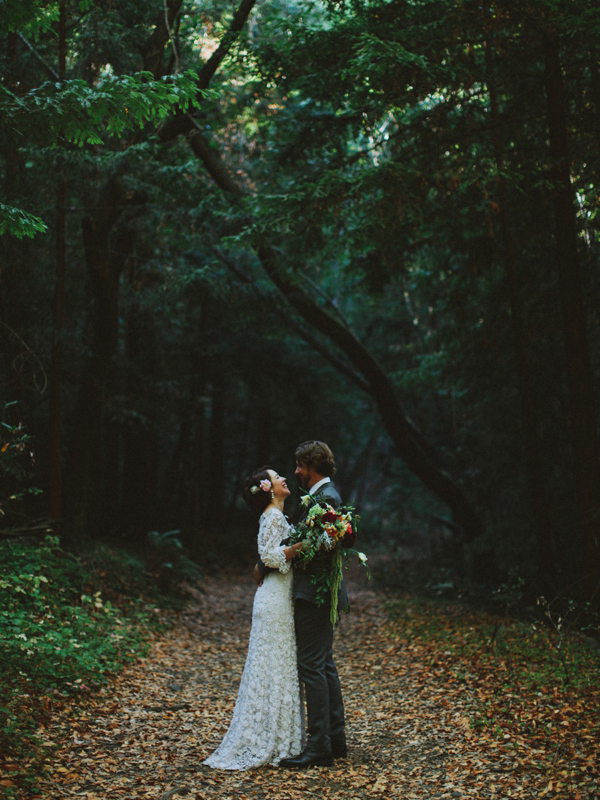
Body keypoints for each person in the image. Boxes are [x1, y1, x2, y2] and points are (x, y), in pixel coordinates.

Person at [203, 467, 305, 770]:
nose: (284, 478)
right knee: (274, 667)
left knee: (276, 666)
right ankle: (270, 739)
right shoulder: (273, 516)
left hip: (277, 597)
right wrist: (304, 546)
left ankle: (276, 736)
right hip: (274, 601)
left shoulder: (276, 516)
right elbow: (270, 556)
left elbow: (267, 558)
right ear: (268, 489)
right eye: (277, 478)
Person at [255, 440, 348, 769]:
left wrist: (269, 562)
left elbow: (315, 549)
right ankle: (335, 739)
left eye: (300, 466)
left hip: (315, 594)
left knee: (312, 666)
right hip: (317, 594)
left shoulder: (327, 499)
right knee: (323, 664)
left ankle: (320, 745)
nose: (295, 471)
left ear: (314, 466)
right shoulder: (324, 498)